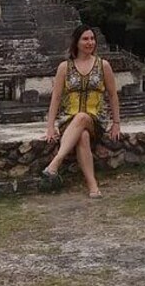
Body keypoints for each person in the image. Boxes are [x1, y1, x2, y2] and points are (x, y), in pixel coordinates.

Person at [42, 24, 121, 198]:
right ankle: (93, 186)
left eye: (92, 39)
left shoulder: (103, 65)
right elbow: (55, 98)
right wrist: (50, 126)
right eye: (85, 39)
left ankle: (54, 164)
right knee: (82, 136)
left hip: (96, 120)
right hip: (68, 121)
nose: (90, 42)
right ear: (76, 42)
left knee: (83, 117)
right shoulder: (64, 67)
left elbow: (113, 96)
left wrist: (116, 123)